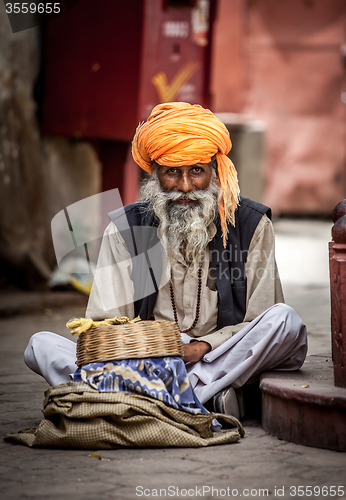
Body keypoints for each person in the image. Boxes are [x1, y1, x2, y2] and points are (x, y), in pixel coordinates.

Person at [24, 102, 307, 419]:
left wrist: (204, 347)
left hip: (221, 356)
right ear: (154, 176)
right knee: (40, 345)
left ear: (215, 172)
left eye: (197, 171)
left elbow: (261, 319)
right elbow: (105, 325)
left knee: (285, 322)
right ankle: (202, 397)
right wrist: (153, 352)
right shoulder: (126, 229)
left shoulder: (250, 225)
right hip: (146, 361)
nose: (185, 187)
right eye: (173, 172)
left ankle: (147, 399)